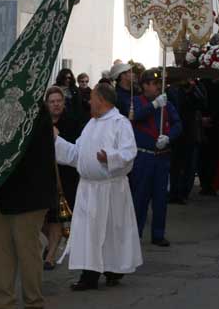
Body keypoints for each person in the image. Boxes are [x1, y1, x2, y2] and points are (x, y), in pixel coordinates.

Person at [0, 104, 56, 309]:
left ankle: (34, 302)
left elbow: (18, 144)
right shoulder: (9, 108)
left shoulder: (36, 110)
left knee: (27, 248)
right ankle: (2, 302)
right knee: (0, 247)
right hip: (6, 191)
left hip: (30, 191)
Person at [54, 83, 143, 290]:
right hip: (88, 188)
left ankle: (113, 269)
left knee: (112, 231)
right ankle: (89, 274)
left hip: (110, 189)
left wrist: (109, 158)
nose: (89, 101)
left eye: (92, 97)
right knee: (89, 232)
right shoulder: (91, 124)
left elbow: (129, 153)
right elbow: (77, 153)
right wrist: (56, 141)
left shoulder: (120, 124)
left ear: (102, 100)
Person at [129, 68, 182, 247]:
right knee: (140, 198)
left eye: (158, 84)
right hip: (143, 156)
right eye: (153, 83)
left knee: (160, 198)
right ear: (144, 85)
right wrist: (154, 106)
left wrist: (169, 137)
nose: (157, 87)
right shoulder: (136, 101)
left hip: (161, 156)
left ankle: (158, 234)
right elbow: (136, 117)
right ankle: (135, 233)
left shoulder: (167, 103)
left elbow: (177, 124)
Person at [43, 86, 81, 270]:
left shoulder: (73, 123)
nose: (56, 104)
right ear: (47, 104)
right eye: (52, 102)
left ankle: (50, 256)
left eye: (59, 101)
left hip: (65, 177)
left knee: (56, 218)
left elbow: (75, 149)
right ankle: (51, 244)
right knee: (44, 219)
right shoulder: (40, 123)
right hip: (43, 176)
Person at [168, 78, 204, 204]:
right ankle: (173, 192)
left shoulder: (196, 88)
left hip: (190, 132)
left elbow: (202, 102)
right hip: (176, 131)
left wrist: (193, 88)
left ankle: (183, 193)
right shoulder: (173, 89)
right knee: (175, 165)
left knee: (188, 165)